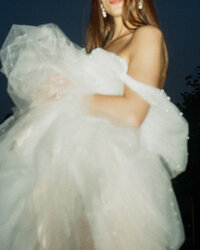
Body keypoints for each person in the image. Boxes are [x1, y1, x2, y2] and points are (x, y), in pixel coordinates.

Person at [0, 0, 189, 249]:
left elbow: (133, 113)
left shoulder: (146, 34)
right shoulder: (100, 49)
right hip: (78, 170)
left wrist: (72, 94)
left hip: (117, 171)